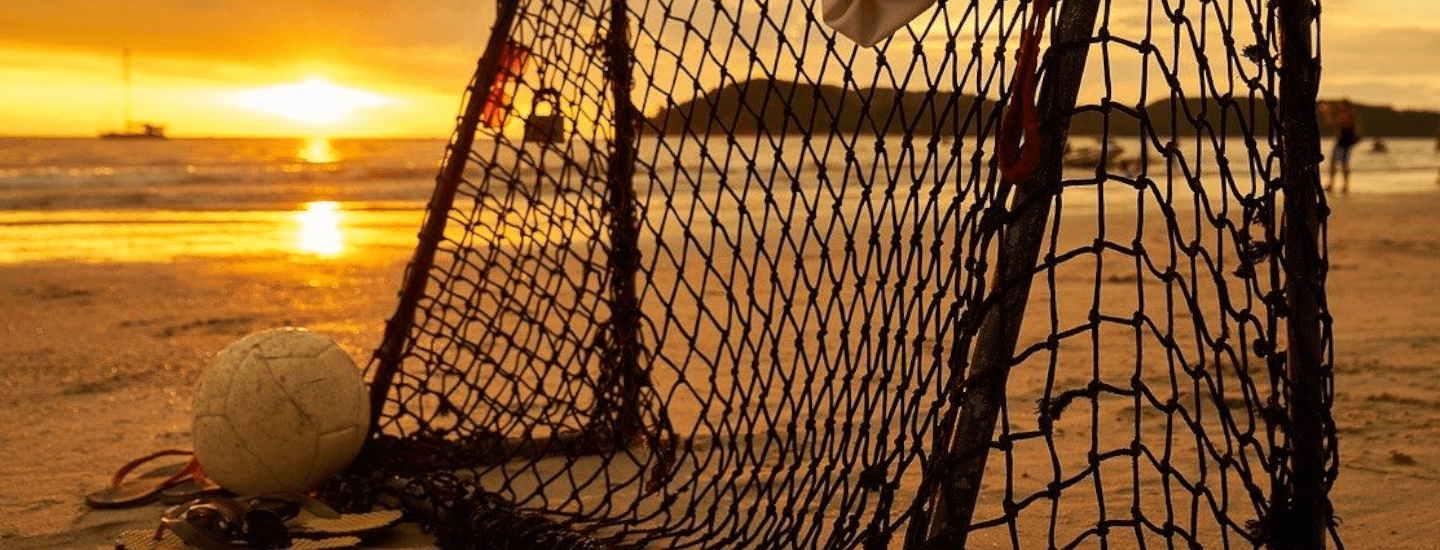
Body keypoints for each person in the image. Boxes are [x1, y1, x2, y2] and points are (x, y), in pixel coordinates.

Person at [1323, 99, 1359, 193]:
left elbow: (1334, 123)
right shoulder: (1348, 115)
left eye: (1341, 105)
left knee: (1337, 163)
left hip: (1343, 143)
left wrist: (1327, 112)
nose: (1339, 107)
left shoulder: (1346, 115)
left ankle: (1336, 184)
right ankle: (1342, 185)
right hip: (1344, 143)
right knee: (1342, 164)